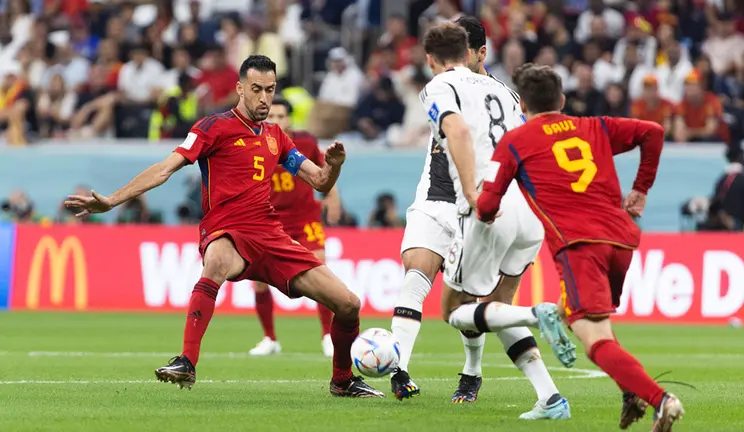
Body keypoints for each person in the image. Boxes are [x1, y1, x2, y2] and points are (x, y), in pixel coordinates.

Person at [64, 55, 384, 398]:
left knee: (349, 303)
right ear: (240, 88)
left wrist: (333, 167)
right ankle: (187, 361)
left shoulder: (278, 137)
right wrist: (112, 200)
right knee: (216, 262)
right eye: (257, 89)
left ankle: (342, 380)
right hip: (227, 230)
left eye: (270, 90)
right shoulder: (212, 127)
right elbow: (164, 168)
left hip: (271, 236)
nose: (264, 98)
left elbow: (319, 182)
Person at [476, 63, 684, 430]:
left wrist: (484, 210)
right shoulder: (595, 126)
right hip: (620, 240)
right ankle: (629, 392)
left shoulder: (516, 141)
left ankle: (661, 399)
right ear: (563, 99)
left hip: (579, 246)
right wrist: (640, 189)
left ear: (522, 104)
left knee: (592, 336)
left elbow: (487, 204)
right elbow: (653, 132)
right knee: (592, 322)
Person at [392, 19, 573, 419]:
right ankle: (550, 397)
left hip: (486, 206)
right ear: (468, 51)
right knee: (491, 306)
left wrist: (474, 191)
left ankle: (533, 316)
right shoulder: (505, 92)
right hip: (527, 208)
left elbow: (455, 130)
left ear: (430, 59)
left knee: (456, 310)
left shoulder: (440, 86)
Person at [248, 97, 342, 358]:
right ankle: (269, 338)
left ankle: (327, 336)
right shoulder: (254, 143)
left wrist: (332, 198)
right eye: (271, 117)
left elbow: (324, 172)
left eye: (280, 116)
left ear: (289, 119)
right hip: (269, 220)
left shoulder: (306, 143)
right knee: (259, 281)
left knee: (320, 271)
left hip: (304, 218)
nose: (275, 121)